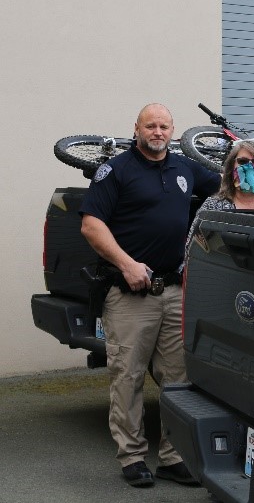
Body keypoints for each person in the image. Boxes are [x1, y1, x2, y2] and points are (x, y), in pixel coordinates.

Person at [79, 103, 221, 488]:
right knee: (129, 376)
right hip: (129, 294)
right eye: (150, 126)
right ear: (137, 129)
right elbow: (91, 226)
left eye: (164, 126)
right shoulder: (116, 170)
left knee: (178, 376)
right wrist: (126, 264)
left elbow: (232, 186)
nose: (158, 132)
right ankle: (133, 456)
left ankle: (173, 458)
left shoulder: (184, 167)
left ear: (173, 131)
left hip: (173, 290)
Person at [184, 140, 254, 253]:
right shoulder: (213, 206)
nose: (250, 167)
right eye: (243, 161)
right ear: (231, 169)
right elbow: (191, 249)